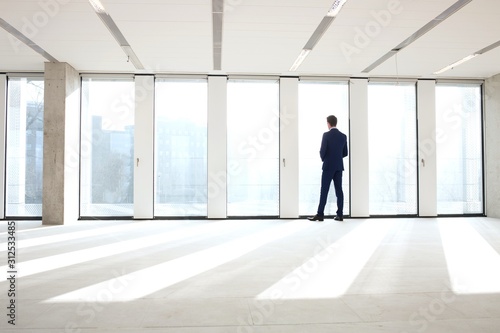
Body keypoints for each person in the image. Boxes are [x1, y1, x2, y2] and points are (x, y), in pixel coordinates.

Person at [308, 115, 348, 222]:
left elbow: (322, 151)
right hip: (339, 166)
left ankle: (320, 214)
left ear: (328, 123)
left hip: (328, 166)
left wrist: (325, 159)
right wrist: (337, 158)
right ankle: (340, 215)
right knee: (339, 190)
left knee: (324, 190)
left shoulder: (326, 135)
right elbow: (345, 153)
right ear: (336, 123)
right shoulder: (343, 136)